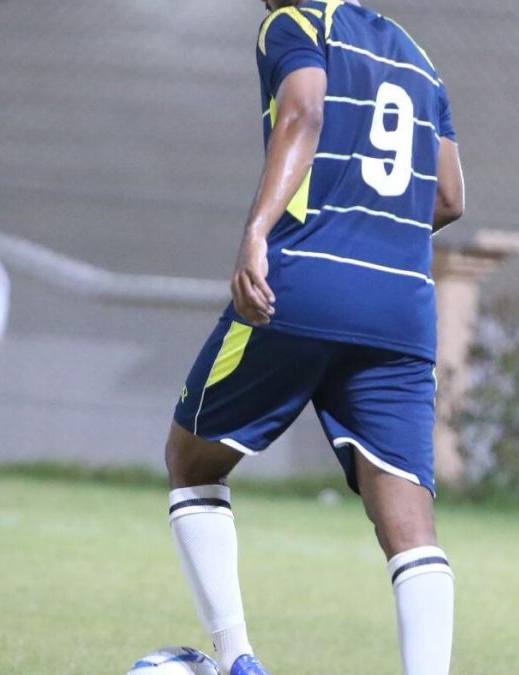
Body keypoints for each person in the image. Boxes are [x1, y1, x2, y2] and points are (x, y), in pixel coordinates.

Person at [165, 0, 464, 672]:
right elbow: (449, 197)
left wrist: (257, 231)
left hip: (305, 285)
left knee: (192, 460)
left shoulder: (295, 25)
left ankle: (237, 659)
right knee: (411, 528)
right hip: (403, 307)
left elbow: (302, 110)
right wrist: (376, 234)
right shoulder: (419, 59)